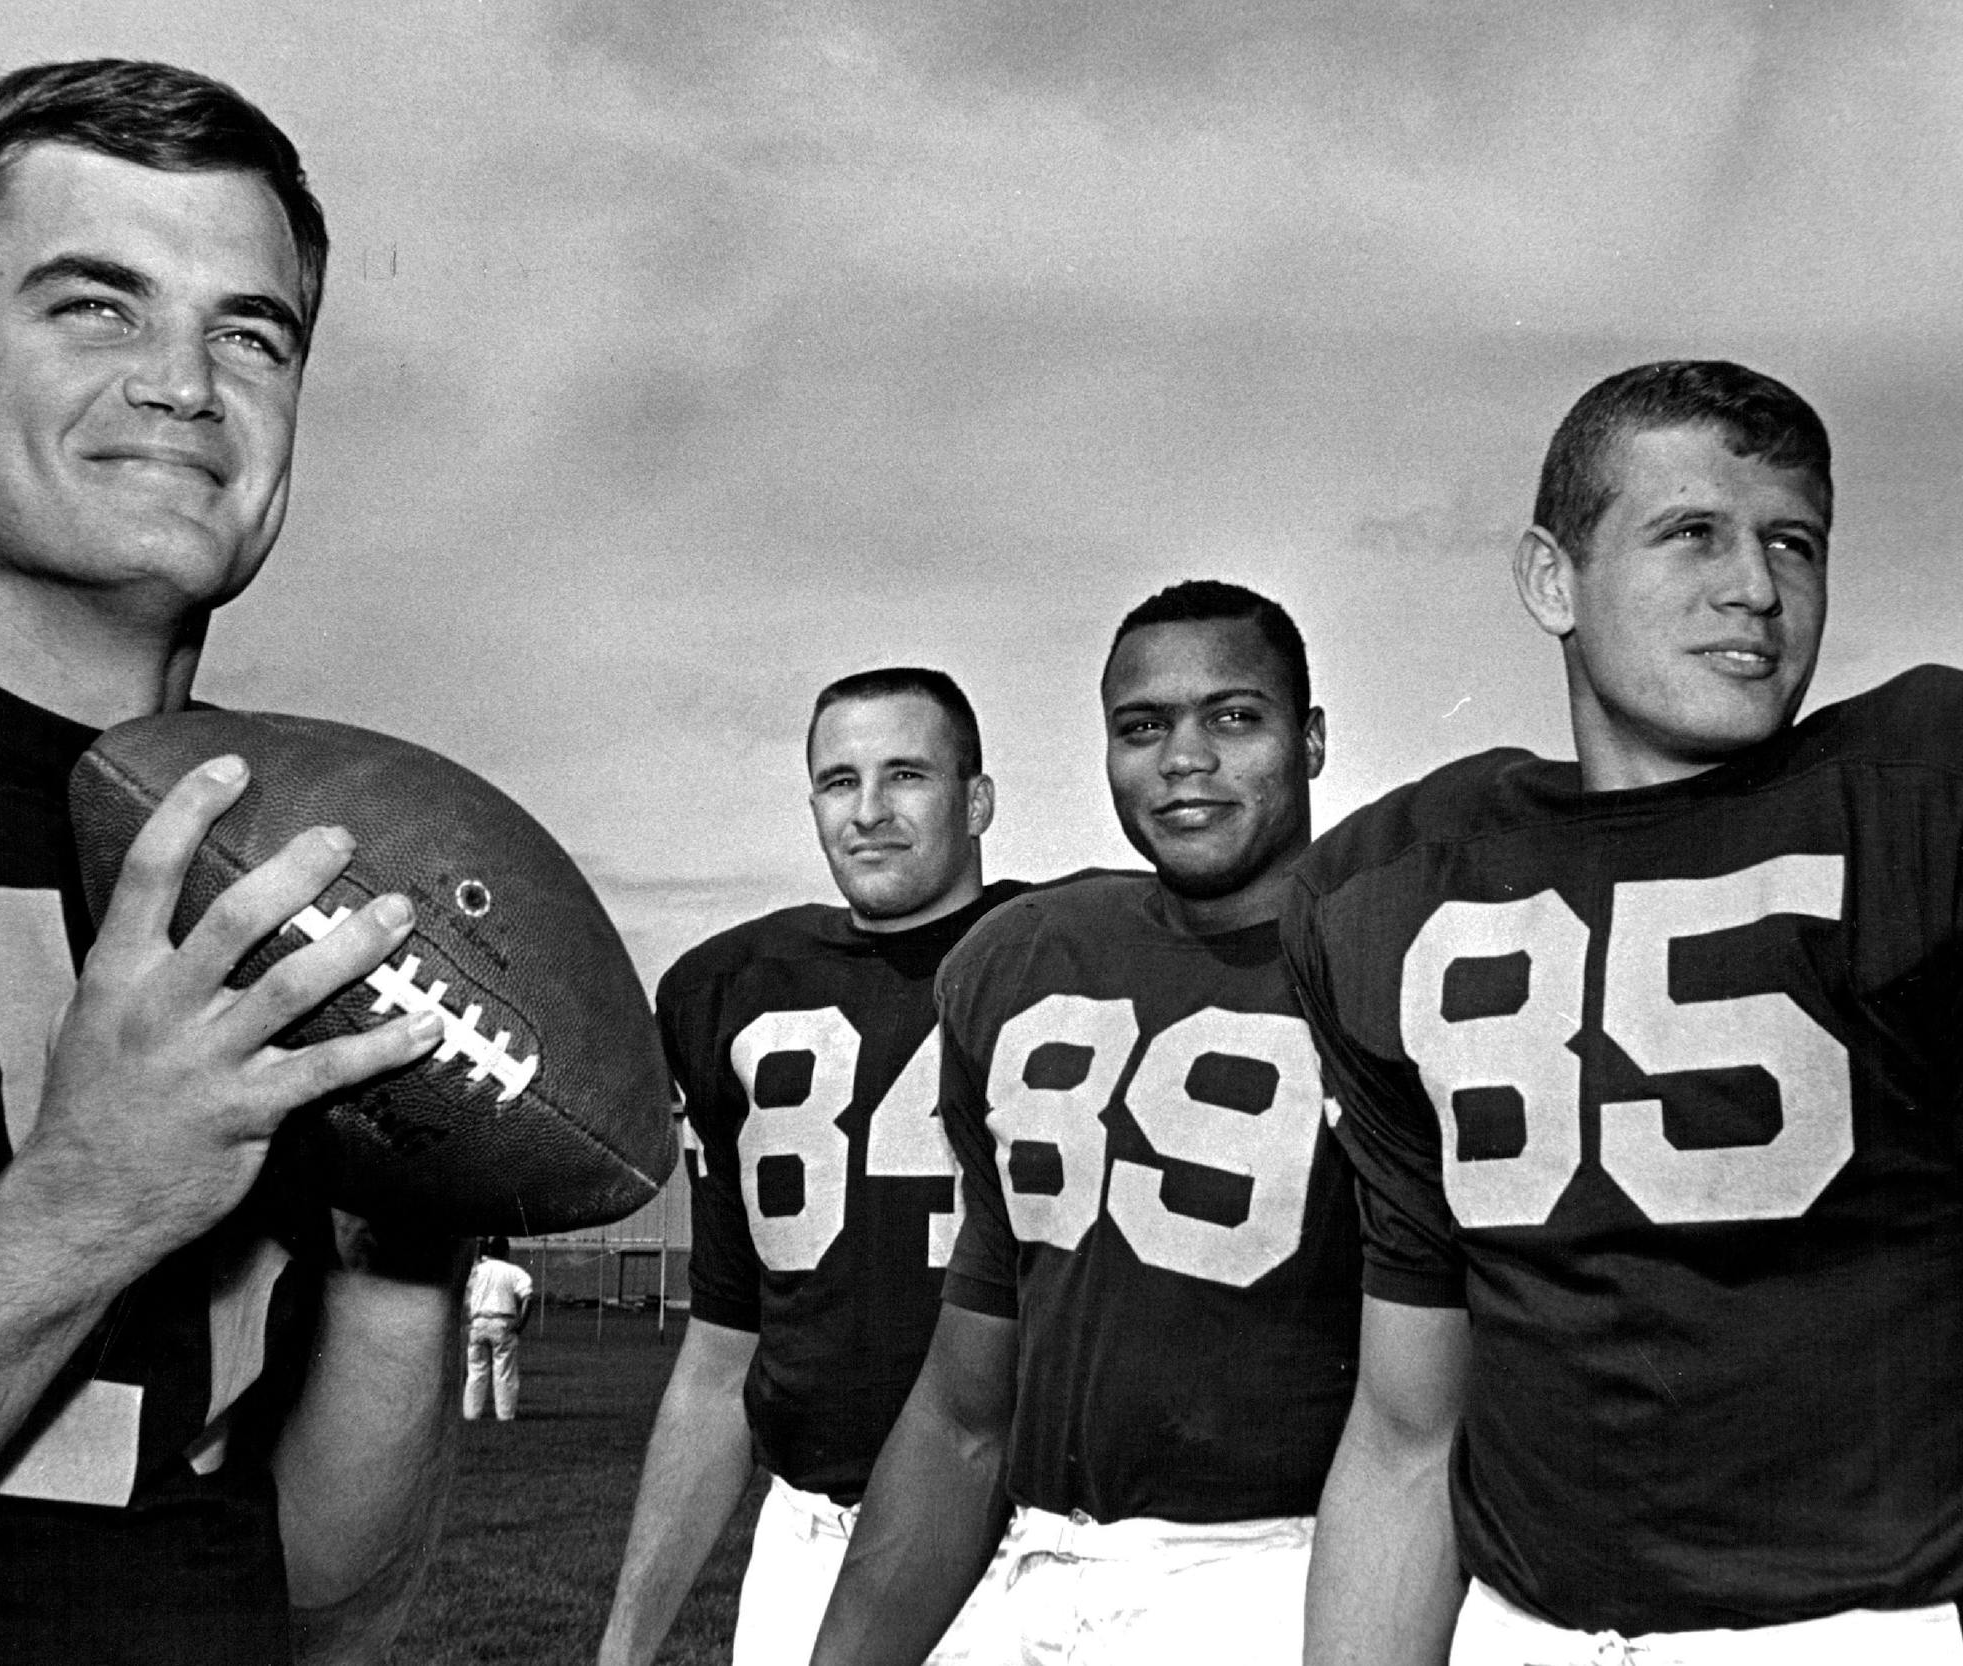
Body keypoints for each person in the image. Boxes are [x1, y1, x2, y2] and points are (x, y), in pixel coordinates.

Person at [0, 59, 467, 1662]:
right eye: (94, 305)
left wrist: (410, 1238)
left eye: (251, 331)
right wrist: (91, 1199)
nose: (185, 381)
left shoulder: (313, 847)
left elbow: (320, 1600)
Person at [1286, 359, 1963, 1664]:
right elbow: (1409, 1428)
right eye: (1692, 533)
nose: (1758, 588)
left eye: (1793, 541)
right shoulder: (1394, 891)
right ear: (1553, 577)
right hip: (1526, 1628)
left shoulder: (1916, 803)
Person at [811, 581, 1363, 1666]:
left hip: (1286, 1578)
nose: (1184, 758)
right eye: (1143, 726)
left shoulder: (1390, 956)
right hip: (1038, 1567)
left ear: (1312, 741)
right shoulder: (1021, 963)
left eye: (1234, 716)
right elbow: (969, 1407)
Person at [598, 668, 1030, 1666]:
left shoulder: (1061, 956)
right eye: (840, 782)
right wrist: (625, 1645)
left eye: (906, 775)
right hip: (809, 1539)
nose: (870, 812)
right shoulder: (729, 989)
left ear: (978, 800)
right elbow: (721, 1358)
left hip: (1023, 1548)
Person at [463, 1238, 535, 1422]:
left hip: (478, 1323)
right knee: (504, 1373)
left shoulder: (476, 1271)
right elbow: (528, 1297)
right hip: (502, 1322)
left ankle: (471, 1414)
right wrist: (520, 1324)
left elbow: (465, 1298)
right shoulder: (514, 1272)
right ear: (506, 1251)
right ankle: (505, 1416)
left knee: (476, 1372)